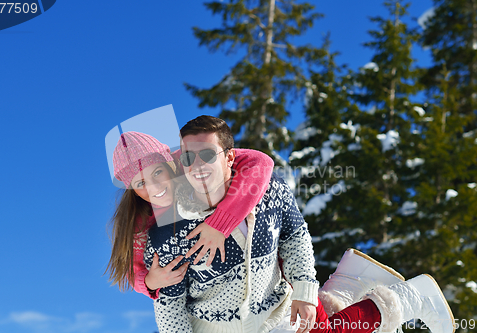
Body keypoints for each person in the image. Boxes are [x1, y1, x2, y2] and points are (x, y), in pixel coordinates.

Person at [143, 115, 454, 333]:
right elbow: (170, 307)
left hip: (275, 316)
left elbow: (294, 236)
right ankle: (359, 287)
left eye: (207, 155)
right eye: (187, 158)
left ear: (230, 158)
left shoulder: (266, 189)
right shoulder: (170, 231)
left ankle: (406, 297)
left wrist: (305, 290)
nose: (196, 167)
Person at [106, 131, 275, 299]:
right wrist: (149, 282)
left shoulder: (188, 161)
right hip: (201, 290)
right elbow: (133, 270)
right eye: (141, 183)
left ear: (169, 164)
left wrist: (220, 223)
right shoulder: (139, 218)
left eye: (157, 172)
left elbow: (260, 161)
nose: (155, 186)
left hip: (253, 258)